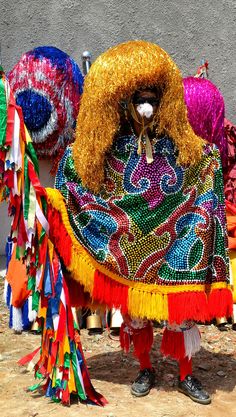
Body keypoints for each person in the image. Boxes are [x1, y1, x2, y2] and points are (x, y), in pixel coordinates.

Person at [52, 40, 232, 405]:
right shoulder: (113, 148)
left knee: (180, 315)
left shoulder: (177, 144)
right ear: (126, 103)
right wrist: (66, 174)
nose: (145, 106)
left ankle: (185, 374)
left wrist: (210, 160)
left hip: (175, 247)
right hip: (129, 246)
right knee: (136, 314)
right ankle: (144, 368)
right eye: (138, 98)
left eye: (151, 97)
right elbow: (88, 178)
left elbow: (199, 162)